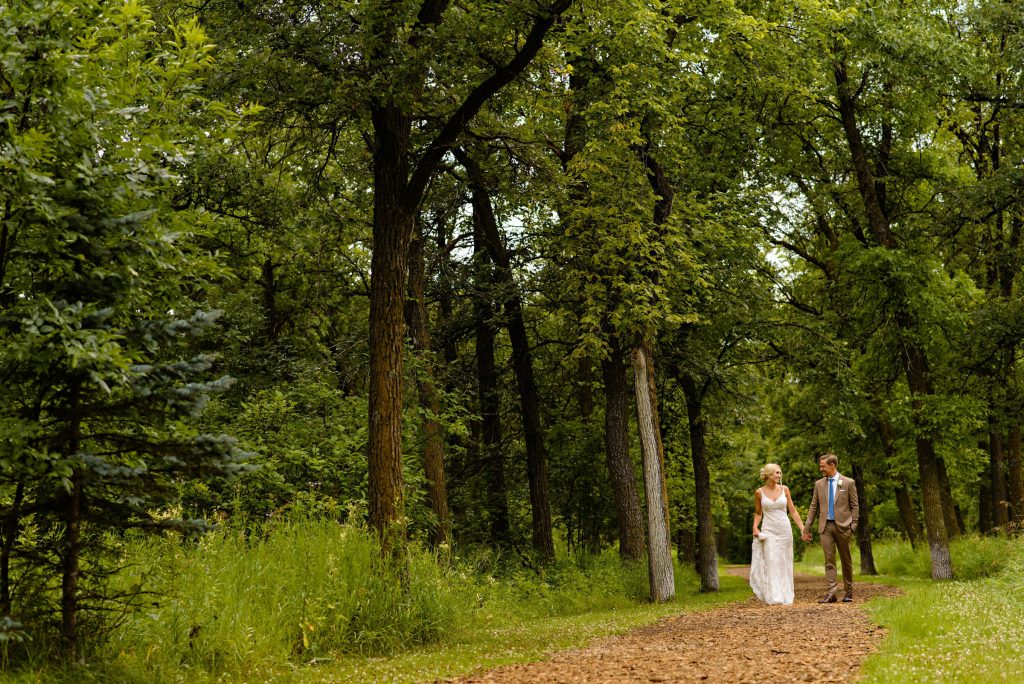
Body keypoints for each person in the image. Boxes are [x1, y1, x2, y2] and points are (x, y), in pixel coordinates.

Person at [801, 453, 860, 603]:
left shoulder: (848, 482)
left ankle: (848, 591)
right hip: (825, 527)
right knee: (829, 560)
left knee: (846, 560)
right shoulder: (819, 484)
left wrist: (853, 526)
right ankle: (832, 592)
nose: (821, 469)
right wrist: (806, 528)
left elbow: (855, 506)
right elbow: (813, 506)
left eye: (823, 466)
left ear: (832, 465)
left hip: (843, 527)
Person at [750, 463, 805, 605]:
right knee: (771, 561)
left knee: (784, 562)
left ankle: (786, 594)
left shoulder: (785, 489)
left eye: (780, 473)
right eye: (776, 473)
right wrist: (755, 528)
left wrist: (802, 528)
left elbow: (792, 510)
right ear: (768, 474)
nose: (779, 475)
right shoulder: (759, 492)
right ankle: (774, 596)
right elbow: (758, 513)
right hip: (769, 530)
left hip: (784, 530)